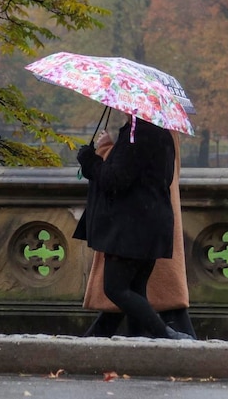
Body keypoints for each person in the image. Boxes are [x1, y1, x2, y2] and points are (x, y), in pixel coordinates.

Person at [73, 112, 193, 340]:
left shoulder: (137, 135)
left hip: (131, 229)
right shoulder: (160, 134)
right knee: (136, 291)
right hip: (151, 226)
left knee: (115, 288)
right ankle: (139, 345)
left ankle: (167, 336)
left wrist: (90, 160)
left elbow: (114, 179)